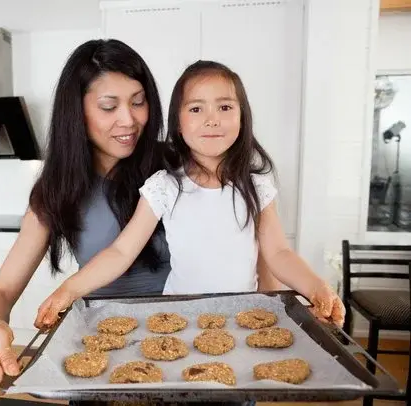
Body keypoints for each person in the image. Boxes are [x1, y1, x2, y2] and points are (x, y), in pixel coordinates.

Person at [0, 40, 281, 400]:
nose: (129, 120)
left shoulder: (181, 166)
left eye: (138, 102)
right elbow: (1, 292)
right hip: (107, 359)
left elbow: (255, 242)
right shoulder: (54, 193)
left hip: (195, 349)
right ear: (77, 112)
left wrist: (266, 318)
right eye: (109, 106)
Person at [35, 60, 345, 329]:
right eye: (196, 109)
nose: (212, 119)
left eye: (225, 107)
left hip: (244, 319)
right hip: (177, 320)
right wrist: (69, 290)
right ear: (179, 124)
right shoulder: (164, 186)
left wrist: (317, 288)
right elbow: (121, 253)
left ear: (242, 117)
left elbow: (279, 254)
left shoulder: (257, 188)